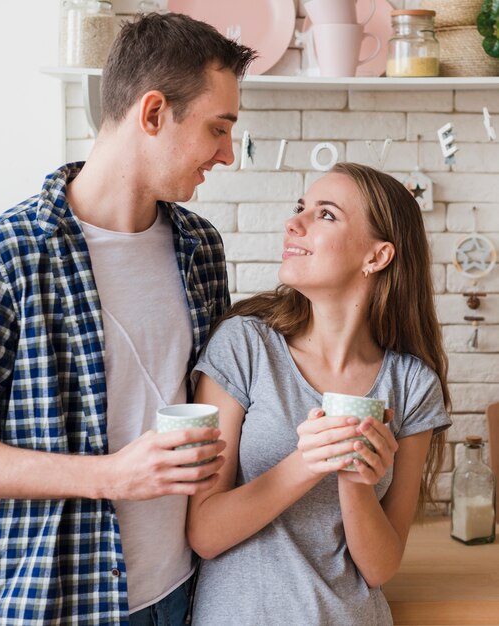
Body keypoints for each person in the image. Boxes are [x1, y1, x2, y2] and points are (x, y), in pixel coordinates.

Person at [0, 13, 256, 626]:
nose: (226, 154)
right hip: (51, 602)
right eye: (217, 129)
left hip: (182, 593)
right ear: (152, 114)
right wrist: (111, 476)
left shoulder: (201, 248)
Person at [186, 162, 452, 626]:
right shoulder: (245, 346)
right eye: (300, 208)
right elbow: (204, 532)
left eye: (325, 215)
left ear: (377, 256)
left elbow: (381, 566)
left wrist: (356, 481)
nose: (294, 223)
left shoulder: (412, 386)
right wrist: (308, 463)